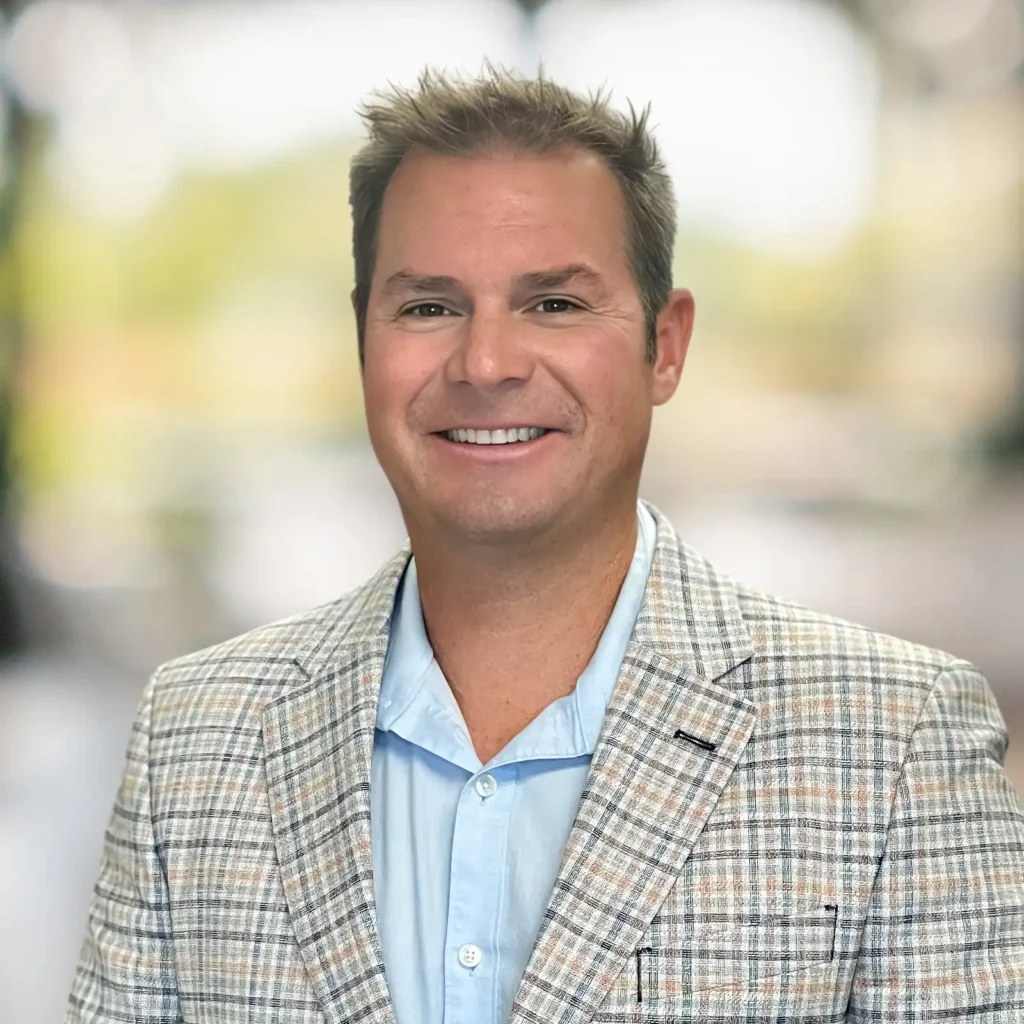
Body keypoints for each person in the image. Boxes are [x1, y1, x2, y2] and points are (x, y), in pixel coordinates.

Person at [65, 67, 1024, 1024]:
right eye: (430, 306)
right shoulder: (192, 738)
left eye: (555, 304)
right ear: (363, 337)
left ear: (666, 346)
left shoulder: (892, 744)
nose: (486, 363)